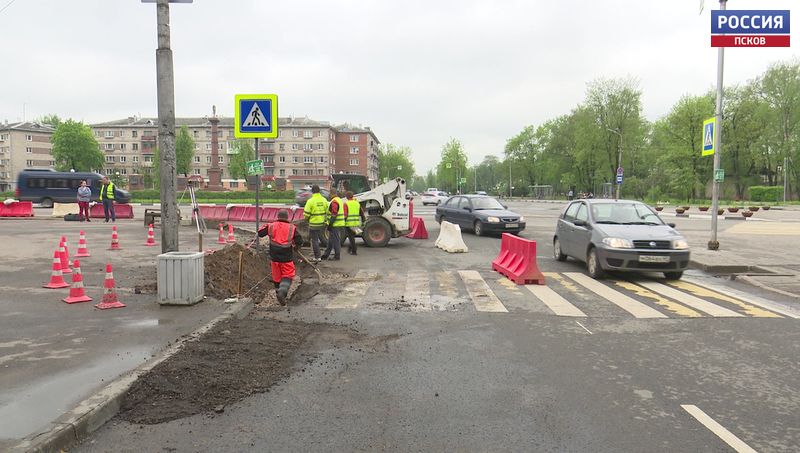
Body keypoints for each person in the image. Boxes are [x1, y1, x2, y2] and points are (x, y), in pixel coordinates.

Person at [258, 209, 303, 304]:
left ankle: (279, 295)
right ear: (287, 217)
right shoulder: (292, 228)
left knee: (277, 278)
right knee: (288, 275)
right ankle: (282, 294)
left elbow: (260, 233)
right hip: (286, 257)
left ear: (278, 217)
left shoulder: (271, 226)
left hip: (274, 258)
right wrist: (296, 247)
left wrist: (266, 226)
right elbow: (299, 241)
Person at [303, 184, 328, 262]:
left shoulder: (310, 201)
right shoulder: (324, 200)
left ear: (312, 191)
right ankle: (325, 253)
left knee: (314, 240)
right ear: (319, 191)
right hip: (322, 224)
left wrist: (306, 220)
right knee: (321, 239)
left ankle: (317, 257)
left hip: (313, 224)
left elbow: (306, 214)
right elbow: (328, 211)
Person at [321, 188, 344, 261]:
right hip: (337, 223)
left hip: (335, 224)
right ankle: (326, 255)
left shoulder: (334, 202)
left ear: (331, 193)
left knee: (335, 240)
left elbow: (334, 214)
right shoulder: (339, 200)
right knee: (331, 240)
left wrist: (330, 224)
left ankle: (337, 256)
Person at [342, 191, 365, 255]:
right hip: (356, 223)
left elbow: (345, 215)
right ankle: (350, 249)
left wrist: (342, 222)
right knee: (352, 237)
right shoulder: (357, 203)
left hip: (349, 223)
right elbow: (362, 213)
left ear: (346, 197)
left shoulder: (346, 204)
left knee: (351, 237)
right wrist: (363, 220)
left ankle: (354, 251)